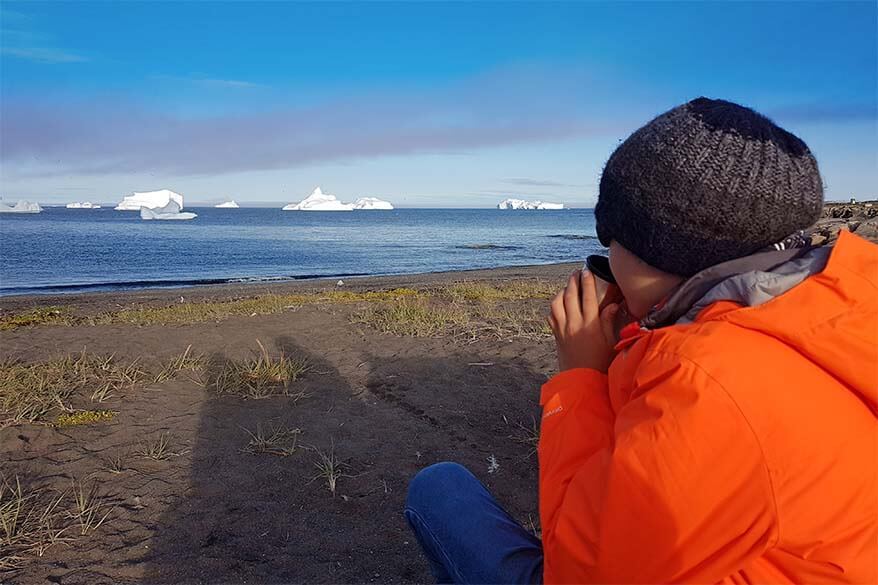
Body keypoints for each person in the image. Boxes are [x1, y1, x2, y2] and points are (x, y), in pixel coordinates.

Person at [405, 97, 877, 584]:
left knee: (438, 489)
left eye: (611, 241)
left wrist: (579, 377)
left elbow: (580, 574)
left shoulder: (709, 389)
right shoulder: (842, 299)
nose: (606, 254)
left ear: (656, 250)